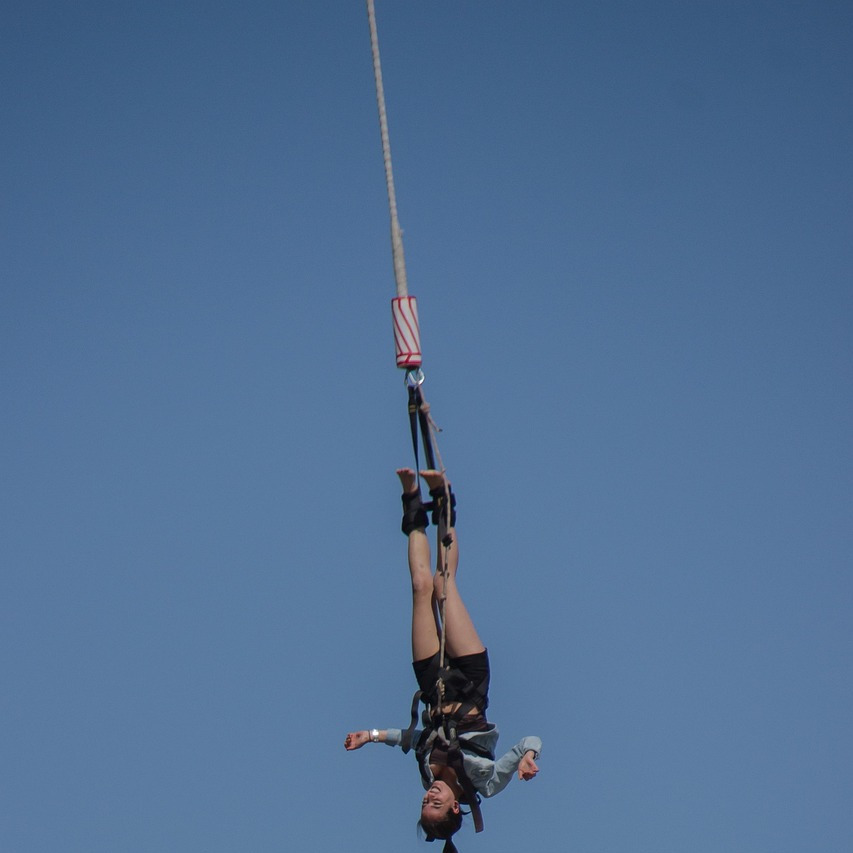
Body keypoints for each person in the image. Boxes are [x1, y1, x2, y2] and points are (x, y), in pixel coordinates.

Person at [344, 468, 541, 852]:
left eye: (424, 803)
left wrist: (371, 736)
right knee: (442, 584)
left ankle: (412, 502)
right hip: (470, 679)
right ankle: (444, 502)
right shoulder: (485, 783)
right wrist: (527, 758)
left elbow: (415, 739)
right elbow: (530, 740)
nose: (429, 795)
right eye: (435, 804)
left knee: (420, 587)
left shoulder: (426, 771)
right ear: (454, 808)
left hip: (432, 684)